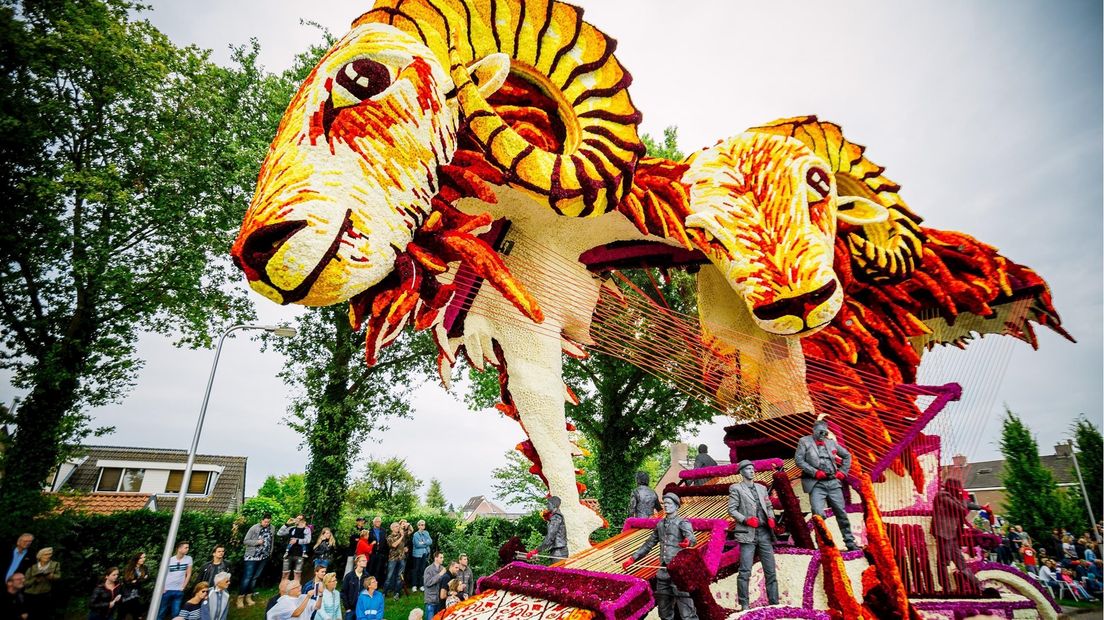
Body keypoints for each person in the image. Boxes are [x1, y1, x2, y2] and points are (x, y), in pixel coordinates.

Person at [623, 493, 697, 620]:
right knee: (663, 611)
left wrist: (687, 541)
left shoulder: (683, 522)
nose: (666, 506)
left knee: (687, 612)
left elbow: (691, 538)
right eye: (664, 503)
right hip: (663, 572)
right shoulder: (660, 524)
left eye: (669, 503)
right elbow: (649, 544)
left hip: (678, 572)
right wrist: (633, 558)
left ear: (676, 506)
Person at [794, 420, 858, 551]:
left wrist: (843, 472)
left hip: (833, 481)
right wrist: (814, 472)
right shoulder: (804, 441)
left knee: (841, 513)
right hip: (816, 483)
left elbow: (847, 456)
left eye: (825, 432)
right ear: (814, 431)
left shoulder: (831, 442)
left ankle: (850, 542)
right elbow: (799, 460)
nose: (822, 434)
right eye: (820, 432)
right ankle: (822, 543)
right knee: (818, 513)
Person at [727, 459, 779, 609]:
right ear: (742, 472)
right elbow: (732, 510)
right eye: (748, 469)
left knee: (770, 571)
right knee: (745, 571)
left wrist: (771, 518)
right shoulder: (736, 488)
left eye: (752, 469)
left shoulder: (761, 488)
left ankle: (774, 603)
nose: (752, 471)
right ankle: (744, 604)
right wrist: (746, 520)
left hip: (764, 533)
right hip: (747, 534)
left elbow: (768, 505)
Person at [931, 478, 982, 592]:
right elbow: (961, 509)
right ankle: (946, 589)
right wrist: (963, 497)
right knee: (944, 562)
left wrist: (981, 507)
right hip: (944, 534)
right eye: (958, 489)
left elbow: (966, 505)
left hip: (952, 535)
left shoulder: (952, 497)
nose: (959, 491)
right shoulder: (942, 496)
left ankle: (977, 586)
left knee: (961, 563)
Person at [239, 512, 275, 608]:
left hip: (264, 557)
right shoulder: (254, 528)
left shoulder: (272, 528)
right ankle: (240, 598)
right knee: (248, 577)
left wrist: (270, 552)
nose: (267, 524)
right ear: (261, 520)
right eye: (265, 522)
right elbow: (245, 541)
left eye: (268, 522)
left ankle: (248, 596)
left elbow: (272, 541)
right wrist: (257, 542)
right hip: (252, 556)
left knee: (255, 577)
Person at [158, 541, 193, 620]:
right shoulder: (169, 560)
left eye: (188, 547)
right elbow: (162, 574)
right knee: (162, 611)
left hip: (178, 590)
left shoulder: (189, 559)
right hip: (167, 589)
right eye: (186, 547)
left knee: (176, 613)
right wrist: (163, 587)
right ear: (179, 549)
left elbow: (189, 574)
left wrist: (183, 587)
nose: (188, 549)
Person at [23, 546, 60, 620]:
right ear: (40, 556)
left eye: (50, 554)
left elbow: (58, 576)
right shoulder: (32, 567)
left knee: (43, 615)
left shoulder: (55, 564)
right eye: (46, 554)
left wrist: (52, 576)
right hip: (30, 595)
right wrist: (35, 580)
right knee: (31, 616)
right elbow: (25, 583)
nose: (49, 556)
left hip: (45, 594)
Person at [527, 496, 568, 560]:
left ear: (553, 505)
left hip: (558, 553)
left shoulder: (556, 517)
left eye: (548, 504)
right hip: (559, 552)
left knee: (555, 570)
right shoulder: (556, 516)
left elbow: (550, 536)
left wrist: (537, 550)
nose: (547, 506)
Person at [384, 520, 413, 599]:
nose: (398, 527)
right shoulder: (390, 537)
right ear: (392, 528)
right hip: (392, 559)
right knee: (389, 576)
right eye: (396, 526)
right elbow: (394, 545)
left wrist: (408, 524)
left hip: (402, 558)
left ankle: (397, 592)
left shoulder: (402, 534)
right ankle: (384, 592)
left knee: (399, 576)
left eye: (398, 526)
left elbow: (411, 530)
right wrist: (402, 536)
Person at [279, 514, 312, 582]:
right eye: (296, 518)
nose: (296, 520)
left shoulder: (307, 529)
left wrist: (297, 541)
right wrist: (286, 524)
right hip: (288, 554)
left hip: (299, 555)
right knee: (285, 574)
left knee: (297, 574)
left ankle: (295, 591)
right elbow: (279, 533)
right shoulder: (292, 528)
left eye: (299, 519)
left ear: (303, 521)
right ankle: (282, 591)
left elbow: (308, 540)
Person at [119, 552, 149, 620]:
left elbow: (146, 578)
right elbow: (127, 582)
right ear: (136, 559)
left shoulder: (144, 568)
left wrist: (136, 581)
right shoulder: (129, 568)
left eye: (144, 557)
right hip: (126, 596)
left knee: (138, 616)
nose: (143, 559)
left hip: (136, 595)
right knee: (122, 616)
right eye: (141, 558)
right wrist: (140, 579)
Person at [342, 555, 369, 620]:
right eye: (363, 560)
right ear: (358, 562)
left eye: (366, 560)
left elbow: (369, 591)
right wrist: (347, 608)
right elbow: (343, 592)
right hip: (351, 608)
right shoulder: (349, 576)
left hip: (362, 608)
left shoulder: (367, 576)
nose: (366, 562)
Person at [411, 521, 433, 592]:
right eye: (421, 525)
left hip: (425, 554)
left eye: (423, 525)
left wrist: (423, 542)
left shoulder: (426, 533)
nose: (423, 526)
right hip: (417, 555)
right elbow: (417, 545)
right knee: (416, 570)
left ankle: (421, 585)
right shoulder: (416, 534)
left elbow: (430, 541)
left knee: (422, 570)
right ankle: (414, 585)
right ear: (418, 526)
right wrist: (426, 543)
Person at [423, 552, 446, 619]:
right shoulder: (428, 569)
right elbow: (427, 583)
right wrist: (440, 575)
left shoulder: (443, 569)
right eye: (441, 557)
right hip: (431, 601)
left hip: (440, 601)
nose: (443, 559)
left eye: (443, 557)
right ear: (436, 558)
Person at [367, 517, 388, 585]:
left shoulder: (383, 530)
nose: (378, 523)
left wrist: (385, 553)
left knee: (379, 569)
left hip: (381, 553)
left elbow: (385, 542)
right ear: (373, 522)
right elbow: (367, 542)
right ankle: (369, 584)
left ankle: (378, 584)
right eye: (377, 521)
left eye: (379, 521)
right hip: (372, 553)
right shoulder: (369, 531)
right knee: (371, 569)